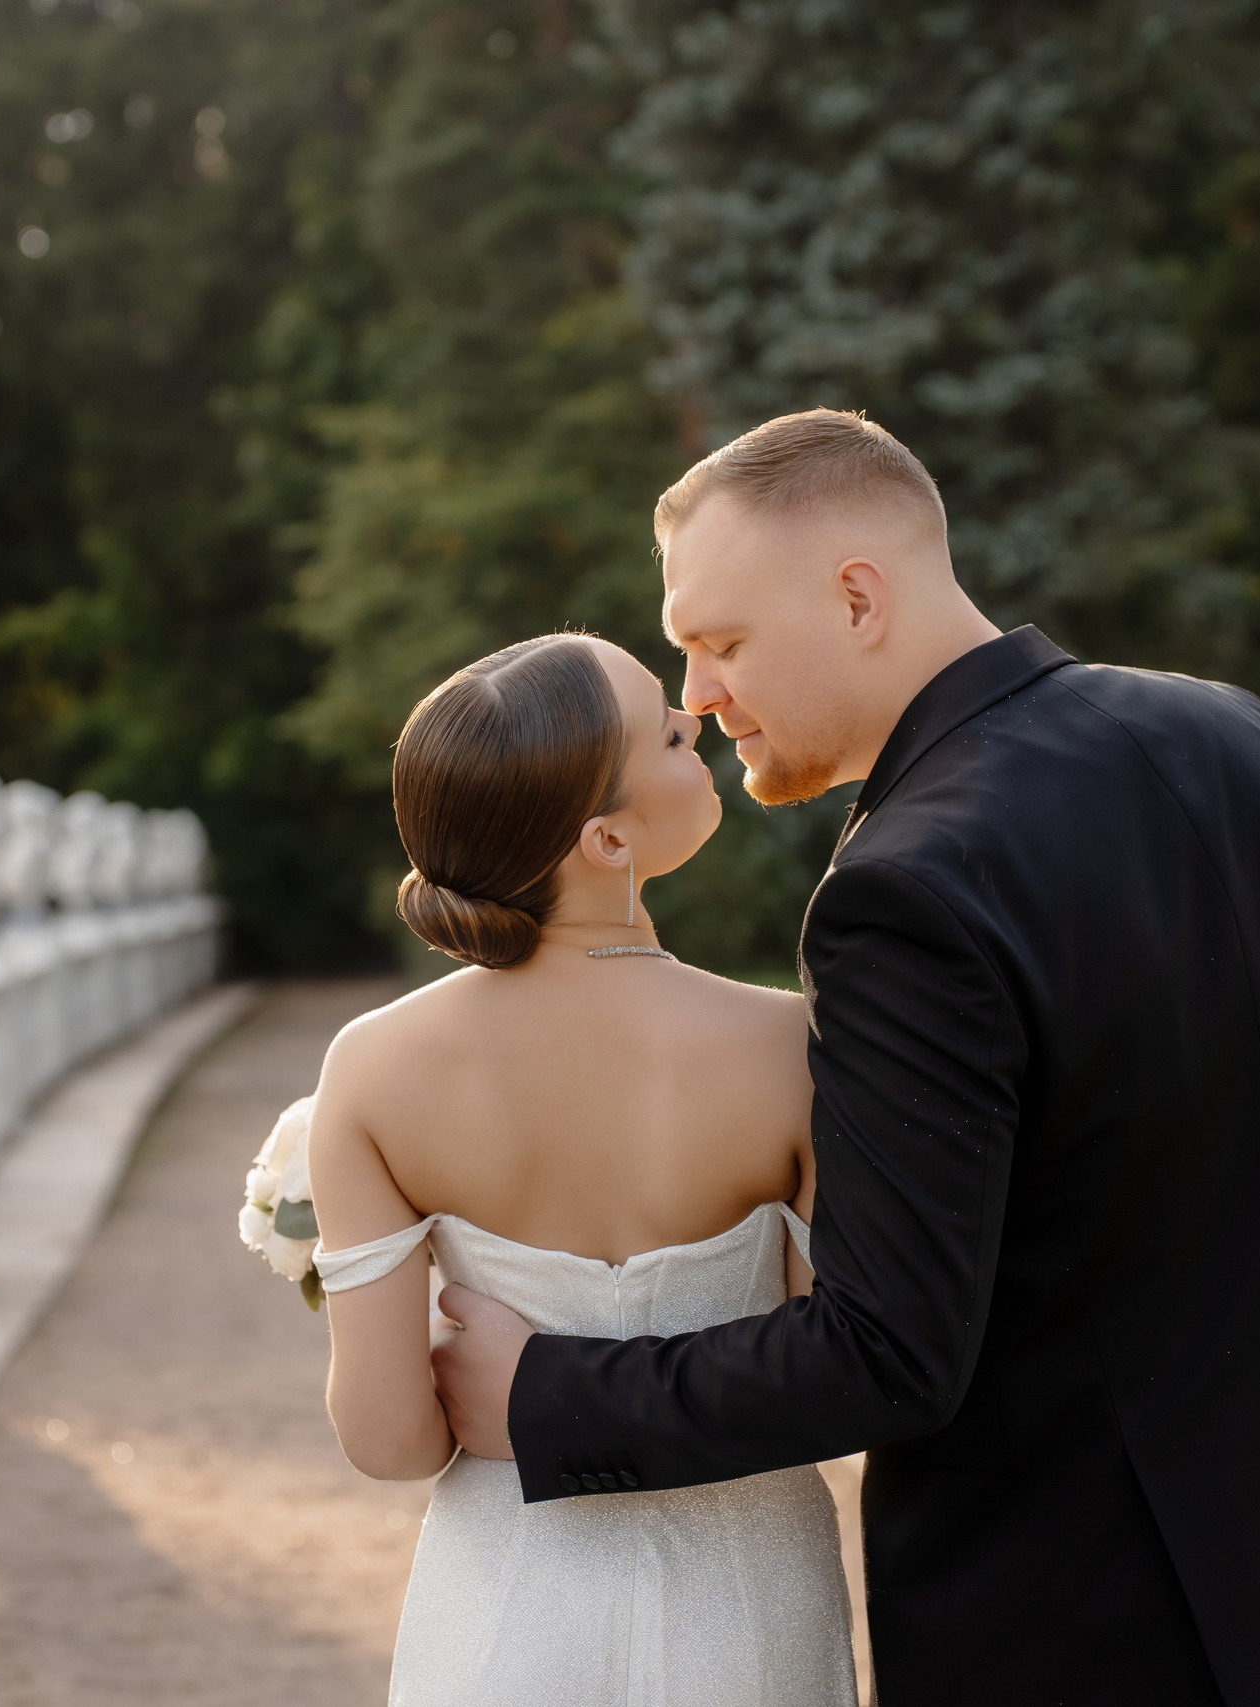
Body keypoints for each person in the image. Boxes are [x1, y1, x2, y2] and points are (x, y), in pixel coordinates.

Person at [427, 409, 1260, 1706]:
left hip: (1090, 1615)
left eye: (721, 642)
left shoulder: (904, 887)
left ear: (856, 597)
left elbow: (888, 1349)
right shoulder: (1239, 733)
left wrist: (554, 1391)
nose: (699, 696)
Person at [307, 633, 857, 1706]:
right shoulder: (795, 1049)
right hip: (748, 1611)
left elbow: (388, 1442)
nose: (694, 720)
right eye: (662, 729)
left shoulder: (372, 1069)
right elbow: (826, 1365)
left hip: (507, 1613)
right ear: (605, 837)